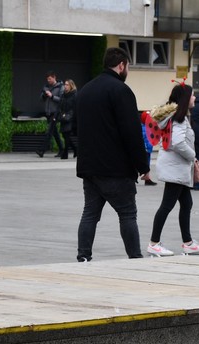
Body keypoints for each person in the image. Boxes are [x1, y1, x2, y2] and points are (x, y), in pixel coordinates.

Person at [74, 47, 152, 262]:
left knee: (90, 214)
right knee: (127, 214)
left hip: (90, 168)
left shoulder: (85, 91)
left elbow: (76, 127)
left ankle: (83, 257)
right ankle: (135, 258)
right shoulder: (121, 91)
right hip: (116, 169)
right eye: (127, 67)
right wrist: (143, 167)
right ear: (121, 65)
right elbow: (132, 132)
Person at [147, 83, 199, 257]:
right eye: (192, 95)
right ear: (184, 99)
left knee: (186, 203)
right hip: (176, 168)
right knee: (167, 205)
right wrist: (193, 156)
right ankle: (154, 243)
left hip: (175, 168)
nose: (194, 98)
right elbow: (178, 143)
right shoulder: (179, 118)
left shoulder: (175, 117)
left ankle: (188, 242)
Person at [36, 71, 64, 158]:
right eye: (47, 79)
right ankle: (62, 150)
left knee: (49, 132)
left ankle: (42, 150)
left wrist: (52, 96)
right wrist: (44, 95)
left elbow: (62, 100)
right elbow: (41, 99)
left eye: (50, 79)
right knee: (54, 133)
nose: (48, 80)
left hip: (55, 113)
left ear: (54, 77)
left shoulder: (60, 87)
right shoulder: (46, 87)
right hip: (48, 113)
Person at [58, 79, 78, 160]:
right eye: (65, 85)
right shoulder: (63, 95)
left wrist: (72, 115)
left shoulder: (74, 95)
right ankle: (75, 149)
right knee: (65, 135)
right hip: (63, 117)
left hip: (70, 118)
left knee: (67, 135)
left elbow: (75, 107)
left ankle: (65, 153)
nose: (65, 86)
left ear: (71, 86)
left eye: (67, 85)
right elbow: (60, 106)